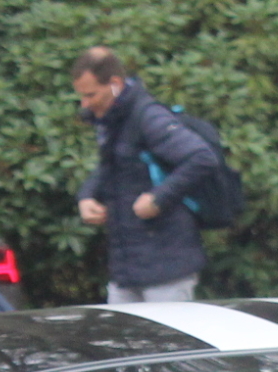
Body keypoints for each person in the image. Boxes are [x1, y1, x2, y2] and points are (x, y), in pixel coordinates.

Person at [72, 48, 219, 304]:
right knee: (120, 342)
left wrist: (158, 198)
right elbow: (111, 166)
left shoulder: (149, 117)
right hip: (126, 268)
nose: (85, 104)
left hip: (168, 269)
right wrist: (86, 196)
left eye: (91, 94)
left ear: (115, 84)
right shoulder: (111, 119)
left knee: (169, 344)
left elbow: (201, 157)